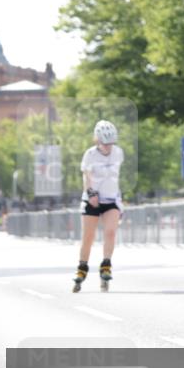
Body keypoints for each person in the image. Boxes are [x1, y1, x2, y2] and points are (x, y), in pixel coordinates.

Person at [72, 120, 124, 292]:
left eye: (111, 143)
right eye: (105, 143)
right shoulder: (90, 154)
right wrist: (92, 194)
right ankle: (82, 267)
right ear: (97, 140)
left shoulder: (118, 153)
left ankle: (106, 264)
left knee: (110, 232)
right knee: (89, 236)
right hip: (92, 199)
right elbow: (86, 177)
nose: (108, 147)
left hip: (111, 200)